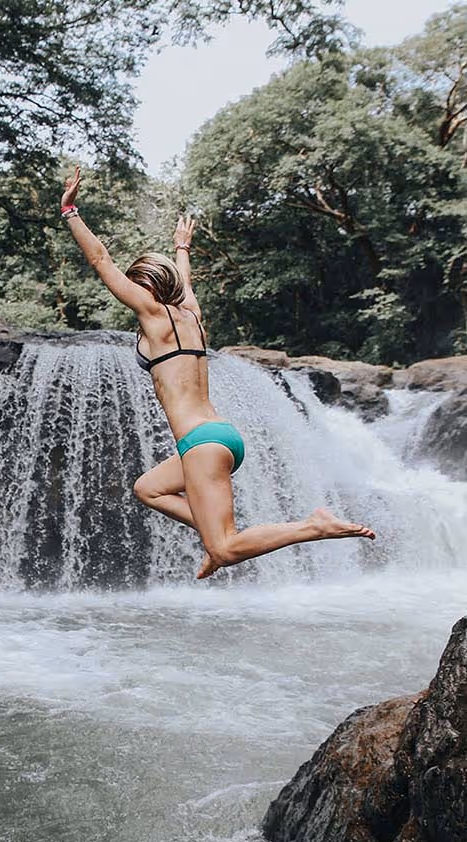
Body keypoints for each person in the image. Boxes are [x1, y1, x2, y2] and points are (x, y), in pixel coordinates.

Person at [60, 165, 375, 579]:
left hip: (201, 444)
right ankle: (213, 535)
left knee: (226, 550)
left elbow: (101, 260)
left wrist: (71, 212)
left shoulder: (153, 317)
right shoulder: (191, 315)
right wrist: (182, 248)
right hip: (220, 436)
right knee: (147, 488)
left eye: (135, 288)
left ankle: (312, 526)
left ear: (144, 290)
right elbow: (186, 285)